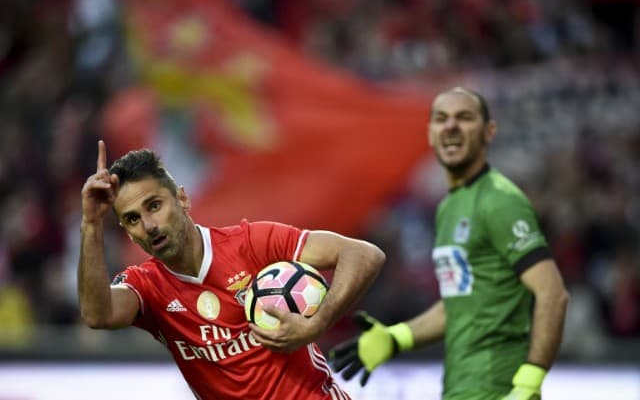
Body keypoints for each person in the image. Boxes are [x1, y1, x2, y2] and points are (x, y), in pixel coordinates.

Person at [78, 140, 385, 400]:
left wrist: (317, 324)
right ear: (128, 233)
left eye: (154, 205)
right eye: (132, 219)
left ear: (182, 198)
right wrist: (91, 224)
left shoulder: (252, 243)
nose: (148, 225)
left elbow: (363, 254)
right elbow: (97, 315)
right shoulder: (147, 287)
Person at [330, 87, 569, 400]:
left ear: (489, 132)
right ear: (430, 134)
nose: (451, 127)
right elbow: (459, 305)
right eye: (441, 119)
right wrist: (395, 338)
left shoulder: (499, 201)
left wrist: (528, 381)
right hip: (461, 387)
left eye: (464, 118)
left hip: (499, 386)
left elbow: (552, 293)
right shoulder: (449, 208)